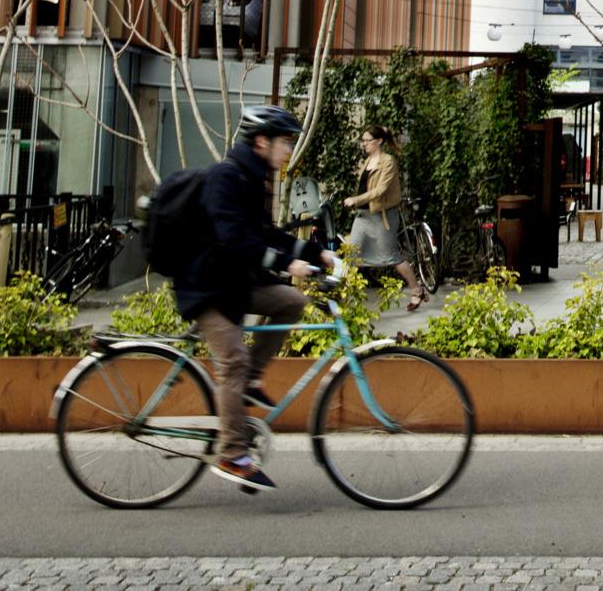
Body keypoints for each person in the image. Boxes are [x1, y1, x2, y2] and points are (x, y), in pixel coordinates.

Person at [176, 104, 336, 493]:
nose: (287, 150)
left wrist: (316, 253)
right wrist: (286, 264)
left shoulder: (254, 178)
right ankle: (232, 454)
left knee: (290, 302)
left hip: (233, 282)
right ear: (261, 141)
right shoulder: (226, 177)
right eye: (284, 142)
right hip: (207, 286)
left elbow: (267, 233)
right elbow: (234, 239)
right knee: (232, 360)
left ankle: (250, 381)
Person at [346, 123, 426, 313]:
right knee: (350, 255)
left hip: (382, 217)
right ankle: (341, 299)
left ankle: (417, 289)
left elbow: (380, 190)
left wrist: (356, 200)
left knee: (392, 257)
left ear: (379, 141)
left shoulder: (388, 162)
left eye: (368, 140)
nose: (364, 144)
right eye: (363, 140)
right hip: (363, 217)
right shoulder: (367, 162)